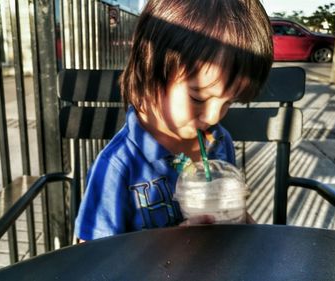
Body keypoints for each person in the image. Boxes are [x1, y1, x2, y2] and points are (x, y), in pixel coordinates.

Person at [74, 0, 274, 241]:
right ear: (149, 71)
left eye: (228, 102)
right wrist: (173, 248)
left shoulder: (220, 143)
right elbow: (94, 257)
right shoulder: (117, 167)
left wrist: (241, 223)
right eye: (198, 97)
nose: (213, 117)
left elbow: (231, 221)